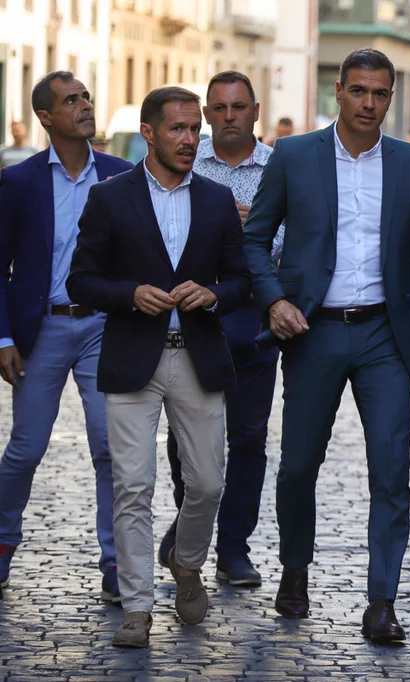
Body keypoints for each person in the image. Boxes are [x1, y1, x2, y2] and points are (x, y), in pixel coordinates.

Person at [242, 48, 410, 642]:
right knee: (298, 465)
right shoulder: (296, 156)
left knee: (391, 471)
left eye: (380, 94)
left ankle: (382, 602)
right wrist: (275, 301)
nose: (369, 104)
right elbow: (254, 239)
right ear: (339, 92)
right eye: (359, 92)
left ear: (391, 96)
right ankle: (294, 569)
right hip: (312, 329)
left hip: (384, 334)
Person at [67, 86, 251, 647]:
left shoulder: (218, 201)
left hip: (197, 358)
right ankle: (138, 607)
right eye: (179, 129)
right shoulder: (109, 197)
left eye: (195, 129)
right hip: (131, 359)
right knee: (133, 486)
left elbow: (243, 281)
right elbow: (81, 281)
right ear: (148, 133)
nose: (191, 139)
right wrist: (129, 294)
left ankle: (187, 560)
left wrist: (213, 294)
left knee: (209, 482)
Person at [0, 72, 132, 602]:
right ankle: (3, 542)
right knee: (25, 450)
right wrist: (3, 337)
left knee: (110, 448)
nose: (85, 105)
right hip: (42, 330)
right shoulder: (19, 181)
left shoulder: (122, 175)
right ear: (46, 118)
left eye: (86, 96)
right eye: (71, 100)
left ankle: (116, 561)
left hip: (105, 327)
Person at [154, 71, 282, 587]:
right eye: (220, 108)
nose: (230, 116)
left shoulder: (280, 169)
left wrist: (256, 233)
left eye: (239, 107)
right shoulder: (184, 159)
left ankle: (233, 549)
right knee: (185, 440)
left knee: (248, 439)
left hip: (253, 317)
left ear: (256, 111)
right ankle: (190, 532)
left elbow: (300, 242)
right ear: (208, 114)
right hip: (192, 318)